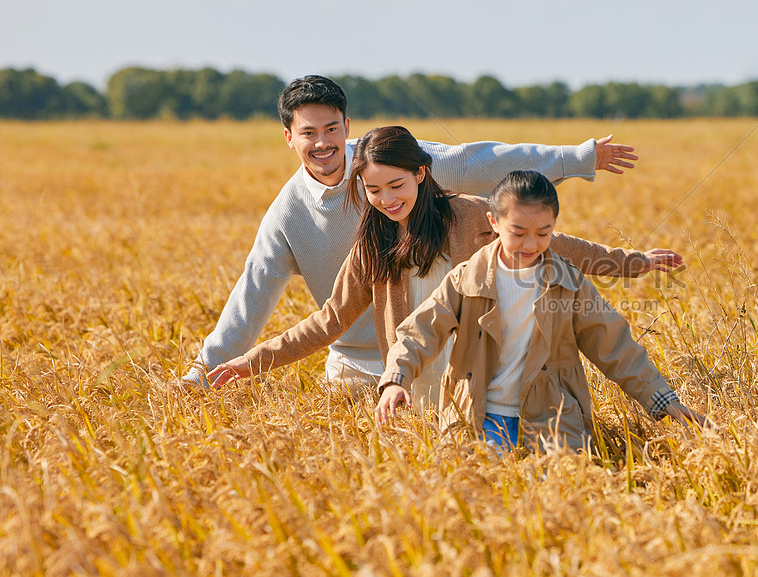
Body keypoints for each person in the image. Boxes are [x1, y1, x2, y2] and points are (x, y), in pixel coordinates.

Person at [184, 74, 640, 389]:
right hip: (357, 365)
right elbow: (255, 293)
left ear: (347, 125)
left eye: (331, 129)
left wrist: (577, 159)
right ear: (289, 137)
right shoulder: (287, 217)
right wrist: (207, 370)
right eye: (308, 133)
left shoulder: (394, 159)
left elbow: (479, 161)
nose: (322, 143)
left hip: (447, 349)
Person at [206, 127, 681, 409]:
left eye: (396, 184)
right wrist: (252, 361)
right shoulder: (371, 244)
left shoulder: (470, 215)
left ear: (419, 173)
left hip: (478, 379)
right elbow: (329, 320)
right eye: (374, 191)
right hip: (412, 386)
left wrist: (631, 262)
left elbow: (548, 243)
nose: (387, 200)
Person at [373, 170, 710, 453]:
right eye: (518, 233)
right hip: (478, 416)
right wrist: (396, 379)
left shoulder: (569, 283)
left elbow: (614, 346)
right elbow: (420, 332)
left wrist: (664, 401)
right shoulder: (466, 280)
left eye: (543, 233)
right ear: (494, 222)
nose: (531, 245)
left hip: (554, 418)